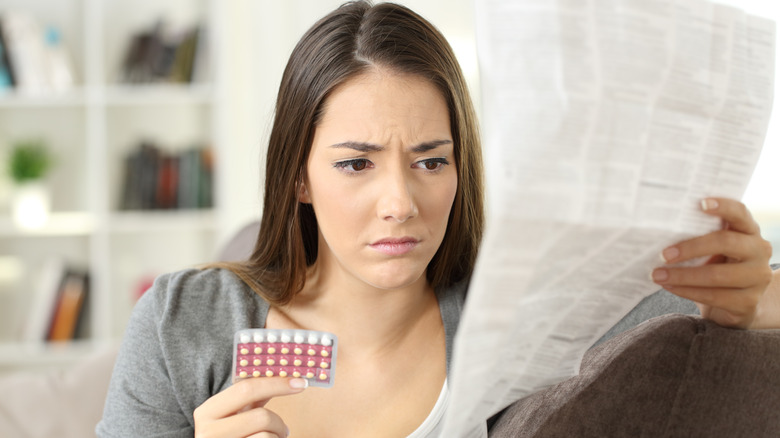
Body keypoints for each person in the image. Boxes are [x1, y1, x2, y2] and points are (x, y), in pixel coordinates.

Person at [97, 1, 779, 437]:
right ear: (298, 176)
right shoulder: (181, 322)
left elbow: (755, 294)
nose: (400, 202)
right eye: (356, 164)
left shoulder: (520, 313)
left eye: (429, 161)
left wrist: (746, 295)